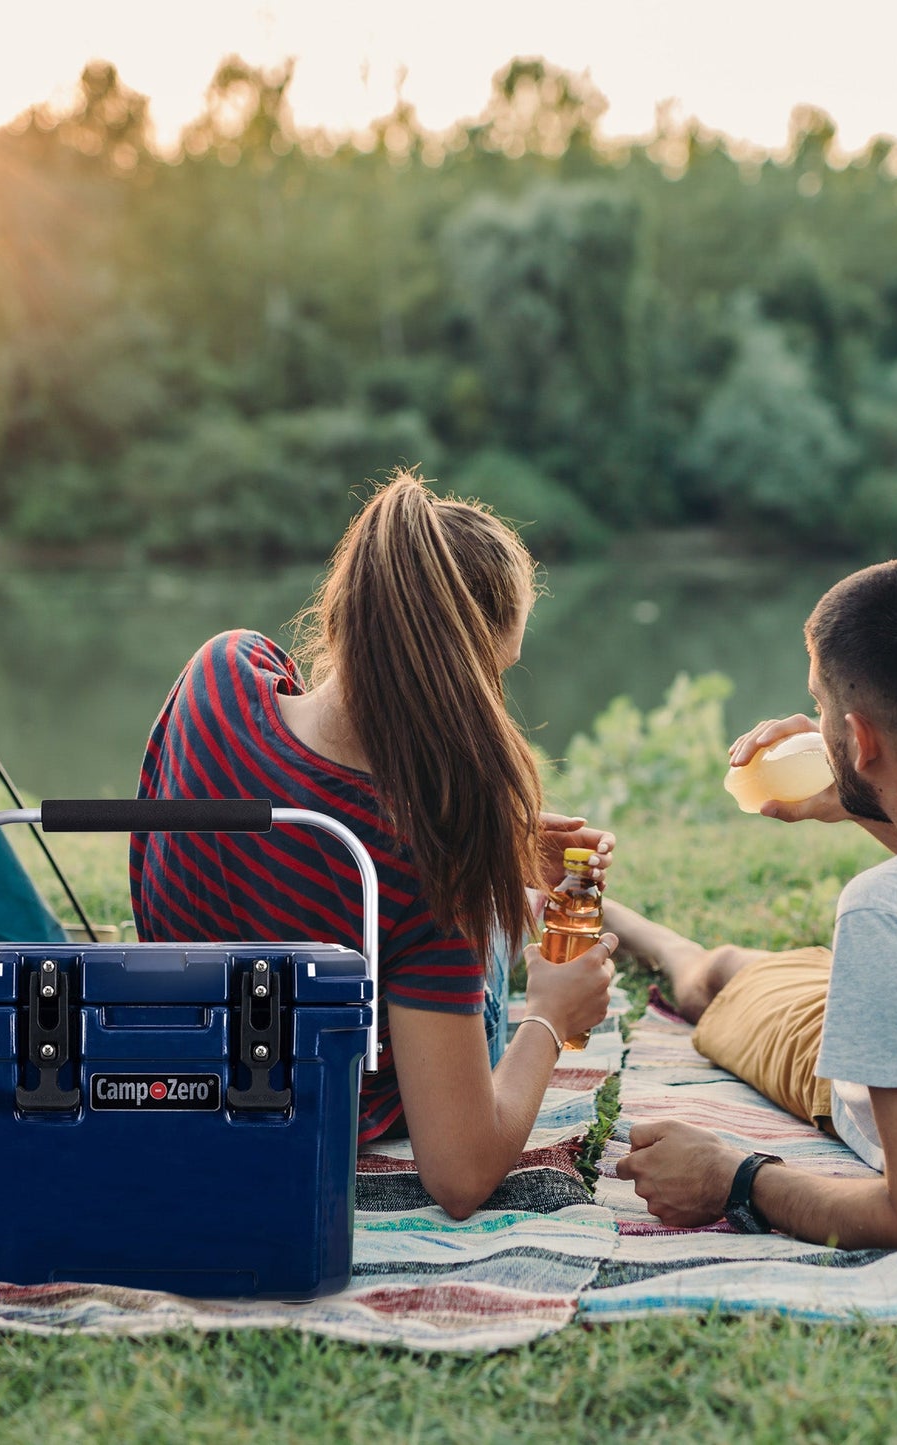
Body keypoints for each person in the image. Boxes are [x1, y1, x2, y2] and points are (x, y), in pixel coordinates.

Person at [131, 471, 619, 1219]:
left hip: (188, 1048)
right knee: (494, 933)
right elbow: (458, 1174)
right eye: (495, 672)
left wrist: (505, 847)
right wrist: (550, 1016)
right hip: (319, 1097)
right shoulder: (430, 852)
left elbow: (305, 802)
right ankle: (518, 921)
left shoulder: (220, 673)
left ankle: (513, 904)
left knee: (473, 905)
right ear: (460, 673)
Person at [610, 558, 897, 1257]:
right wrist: (860, 792)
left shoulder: (891, 915)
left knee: (716, 977)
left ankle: (626, 923)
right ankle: (618, 917)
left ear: (858, 739)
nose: (814, 725)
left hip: (869, 1072)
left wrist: (734, 1179)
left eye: (820, 708)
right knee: (746, 967)